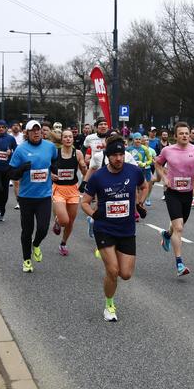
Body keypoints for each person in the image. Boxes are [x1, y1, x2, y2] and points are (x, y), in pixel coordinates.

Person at [81, 137, 148, 322]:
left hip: (127, 229)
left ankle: (112, 274)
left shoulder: (133, 171)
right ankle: (109, 305)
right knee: (112, 270)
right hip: (105, 229)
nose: (119, 158)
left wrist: (140, 202)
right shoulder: (98, 176)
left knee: (125, 274)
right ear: (108, 156)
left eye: (121, 154)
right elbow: (85, 202)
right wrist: (94, 216)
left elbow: (144, 185)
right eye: (114, 155)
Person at [154, 122, 194, 276]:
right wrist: (164, 178)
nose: (185, 136)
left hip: (187, 193)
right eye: (181, 133)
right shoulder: (167, 151)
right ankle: (179, 264)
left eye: (187, 133)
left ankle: (167, 235)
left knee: (178, 225)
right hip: (172, 192)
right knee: (179, 228)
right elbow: (157, 163)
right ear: (175, 136)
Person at [8, 120, 58, 273]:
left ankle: (36, 244)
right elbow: (11, 173)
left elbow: (54, 161)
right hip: (26, 197)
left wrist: (54, 172)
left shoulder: (50, 147)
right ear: (27, 133)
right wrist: (22, 168)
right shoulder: (21, 150)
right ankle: (27, 260)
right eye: (32, 130)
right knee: (27, 230)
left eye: (38, 130)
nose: (36, 133)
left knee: (43, 228)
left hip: (44, 196)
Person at [51, 129, 87, 255]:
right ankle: (57, 221)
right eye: (65, 137)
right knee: (64, 220)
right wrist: (51, 175)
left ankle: (63, 243)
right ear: (61, 139)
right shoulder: (55, 153)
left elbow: (84, 173)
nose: (68, 139)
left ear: (73, 139)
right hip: (58, 189)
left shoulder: (77, 154)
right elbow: (47, 166)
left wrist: (83, 166)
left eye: (70, 137)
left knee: (70, 221)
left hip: (73, 189)